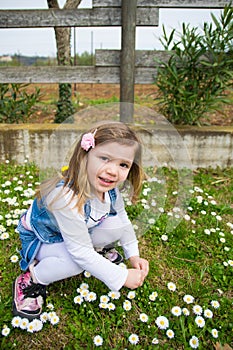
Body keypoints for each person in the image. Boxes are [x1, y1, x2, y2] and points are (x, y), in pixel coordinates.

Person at [13, 121, 149, 320]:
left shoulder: (111, 192)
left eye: (123, 164)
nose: (113, 170)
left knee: (115, 224)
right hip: (42, 238)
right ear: (85, 156)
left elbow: (123, 220)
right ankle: (32, 278)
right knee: (76, 261)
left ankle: (97, 252)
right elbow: (80, 252)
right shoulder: (65, 197)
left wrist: (133, 255)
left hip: (73, 232)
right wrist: (121, 277)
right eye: (105, 158)